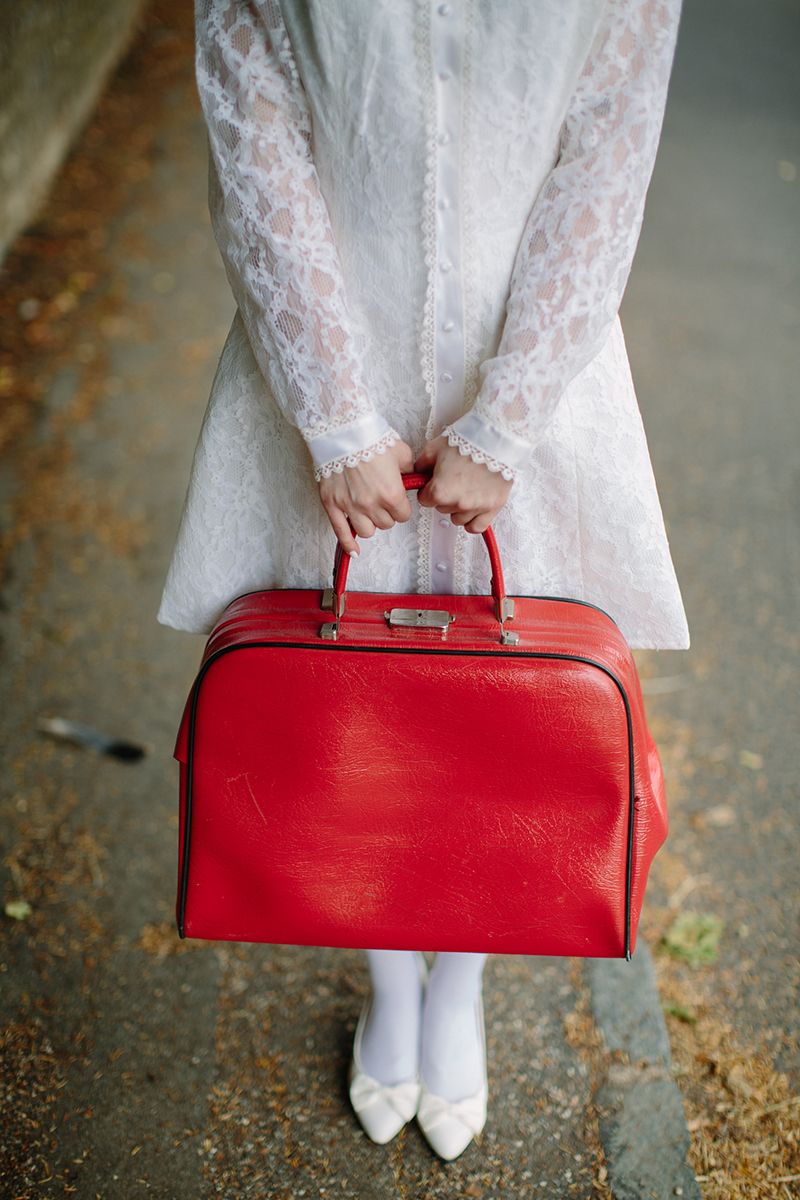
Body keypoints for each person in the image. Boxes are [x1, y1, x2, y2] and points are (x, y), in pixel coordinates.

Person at [159, 0, 689, 1161]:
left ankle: (461, 987)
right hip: (325, 357)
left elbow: (604, 160)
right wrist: (332, 415)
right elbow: (255, 139)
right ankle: (392, 982)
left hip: (536, 373)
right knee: (351, 712)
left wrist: (505, 422)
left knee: (504, 723)